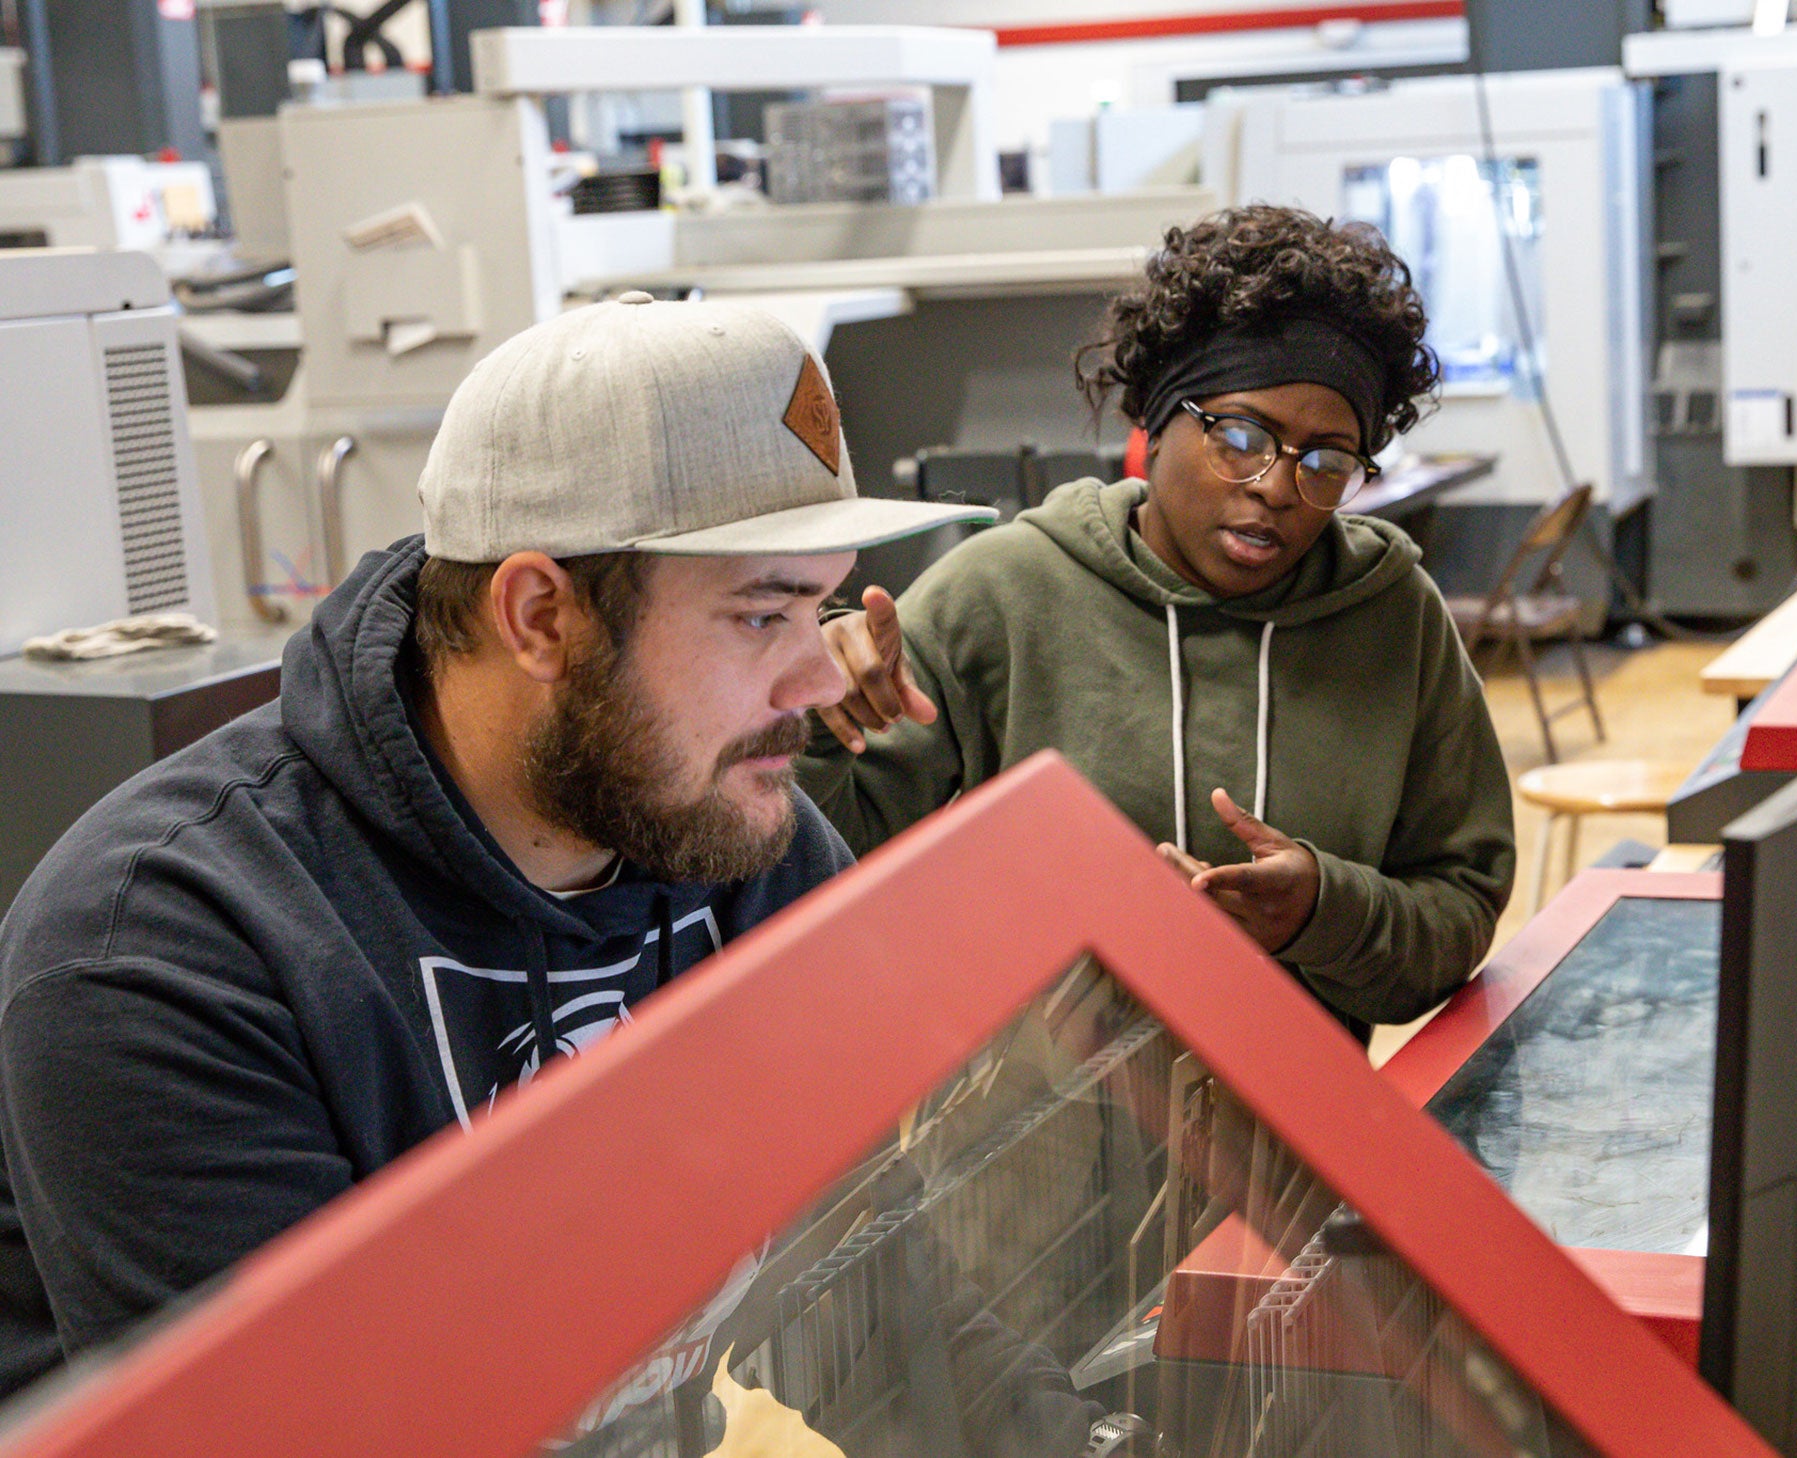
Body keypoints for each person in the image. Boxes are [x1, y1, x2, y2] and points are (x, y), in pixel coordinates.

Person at [0, 296, 989, 1396]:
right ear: (538, 618)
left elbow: (882, 1303)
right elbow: (306, 1432)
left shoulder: (742, 843)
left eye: (823, 606)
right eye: (762, 615)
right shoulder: (165, 949)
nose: (814, 681)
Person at [797, 205, 1515, 1040]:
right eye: (1241, 437)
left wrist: (1321, 911)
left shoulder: (1394, 621)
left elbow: (1459, 907)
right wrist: (810, 712)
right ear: (1157, 425)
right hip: (1026, 1145)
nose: (1279, 488)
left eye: (1328, 461)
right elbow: (824, 886)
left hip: (1294, 1146)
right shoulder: (1002, 594)